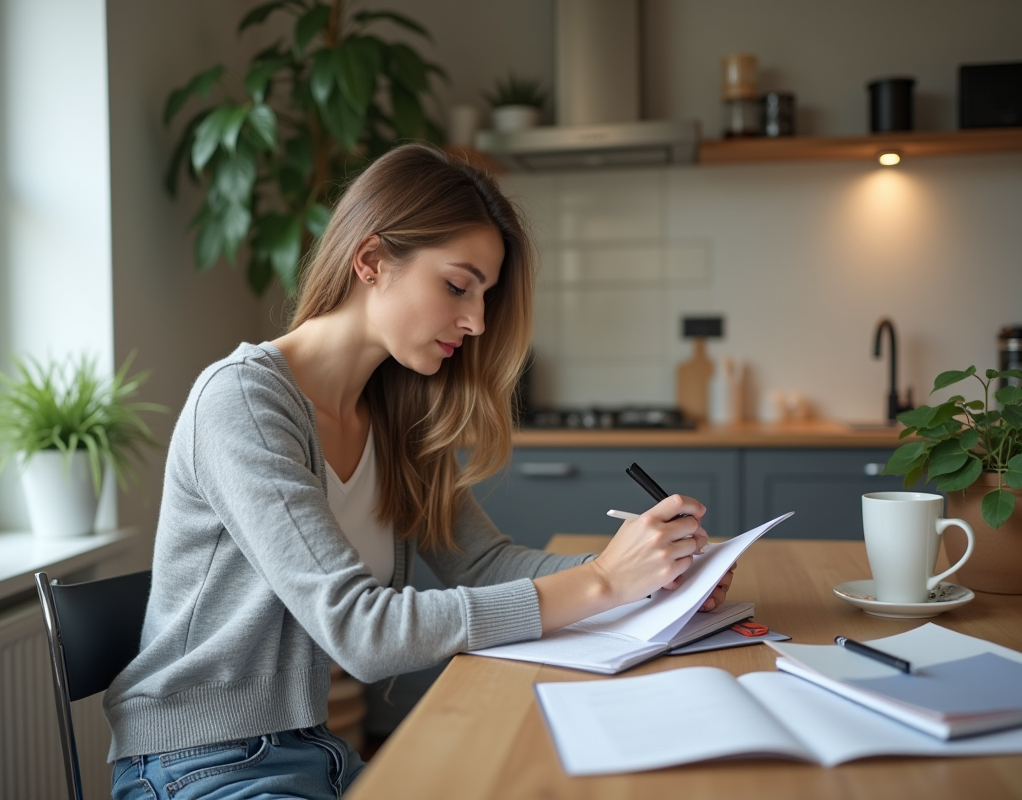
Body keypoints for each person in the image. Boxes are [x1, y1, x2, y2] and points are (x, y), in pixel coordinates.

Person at [104, 143, 733, 800]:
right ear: (371, 260)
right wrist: (604, 581)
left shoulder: (395, 412)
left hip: (315, 752)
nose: (477, 321)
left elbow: (487, 565)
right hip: (194, 767)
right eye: (458, 286)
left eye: (485, 296)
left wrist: (652, 575)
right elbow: (361, 632)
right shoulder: (243, 402)